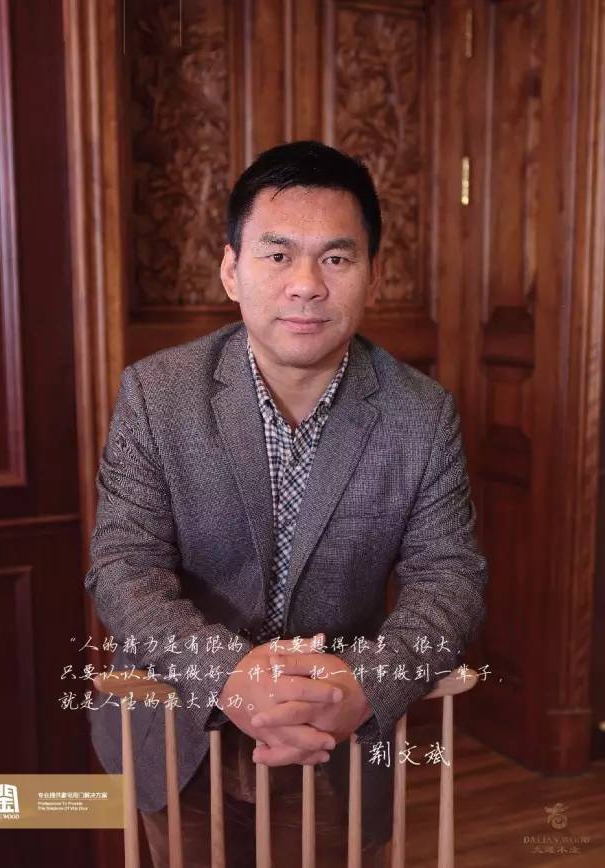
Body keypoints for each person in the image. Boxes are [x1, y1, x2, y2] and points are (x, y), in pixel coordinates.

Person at [84, 140, 488, 867]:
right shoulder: (156, 394)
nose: (306, 284)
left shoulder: (422, 414)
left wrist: (366, 688)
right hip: (180, 729)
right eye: (277, 255)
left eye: (336, 258)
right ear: (231, 269)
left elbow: (450, 580)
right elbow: (122, 568)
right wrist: (230, 676)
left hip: (338, 737)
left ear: (372, 275)